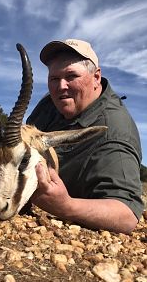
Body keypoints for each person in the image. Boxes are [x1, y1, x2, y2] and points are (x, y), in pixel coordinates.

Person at [27, 39, 143, 234]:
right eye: (54, 78)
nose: (61, 86)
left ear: (96, 77)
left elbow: (127, 214)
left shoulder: (114, 131)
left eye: (71, 76)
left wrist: (66, 206)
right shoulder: (52, 102)